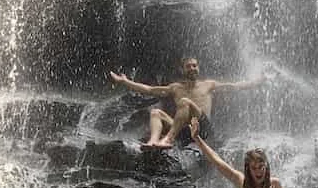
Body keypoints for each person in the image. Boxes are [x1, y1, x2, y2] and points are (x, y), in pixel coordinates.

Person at [109, 56, 263, 149]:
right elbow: (149, 90)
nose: (192, 68)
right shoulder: (176, 87)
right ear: (183, 70)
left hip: (202, 128)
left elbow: (235, 86)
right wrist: (125, 81)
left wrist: (257, 82)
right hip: (183, 130)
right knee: (155, 112)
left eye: (194, 65)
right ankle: (153, 142)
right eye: (188, 66)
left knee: (184, 102)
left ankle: (168, 139)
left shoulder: (208, 85)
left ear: (198, 68)